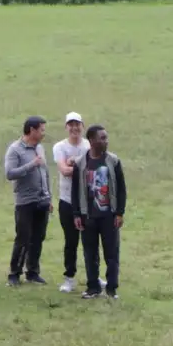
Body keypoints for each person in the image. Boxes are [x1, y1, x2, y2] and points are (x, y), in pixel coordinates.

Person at [70, 124, 127, 301]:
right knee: (90, 253)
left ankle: (111, 288)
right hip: (89, 216)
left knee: (112, 254)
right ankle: (93, 287)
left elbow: (121, 189)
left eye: (106, 138)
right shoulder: (81, 163)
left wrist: (119, 212)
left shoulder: (113, 161)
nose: (106, 141)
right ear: (92, 141)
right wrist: (76, 214)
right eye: (102, 138)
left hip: (108, 216)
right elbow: (75, 190)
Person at [5, 115, 52, 287]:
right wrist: (31, 164)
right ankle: (14, 273)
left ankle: (33, 272)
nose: (43, 133)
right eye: (41, 130)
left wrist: (50, 197)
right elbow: (10, 173)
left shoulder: (40, 148)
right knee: (23, 238)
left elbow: (45, 174)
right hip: (25, 202)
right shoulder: (15, 150)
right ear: (31, 130)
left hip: (42, 200)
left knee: (38, 238)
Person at [53, 113, 89, 293]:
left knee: (90, 239)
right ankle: (69, 277)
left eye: (77, 124)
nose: (74, 128)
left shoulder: (88, 145)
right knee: (71, 240)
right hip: (67, 200)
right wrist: (76, 166)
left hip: (88, 200)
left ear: (82, 125)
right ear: (66, 127)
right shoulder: (60, 147)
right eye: (71, 124)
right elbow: (64, 170)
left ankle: (93, 275)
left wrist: (74, 164)